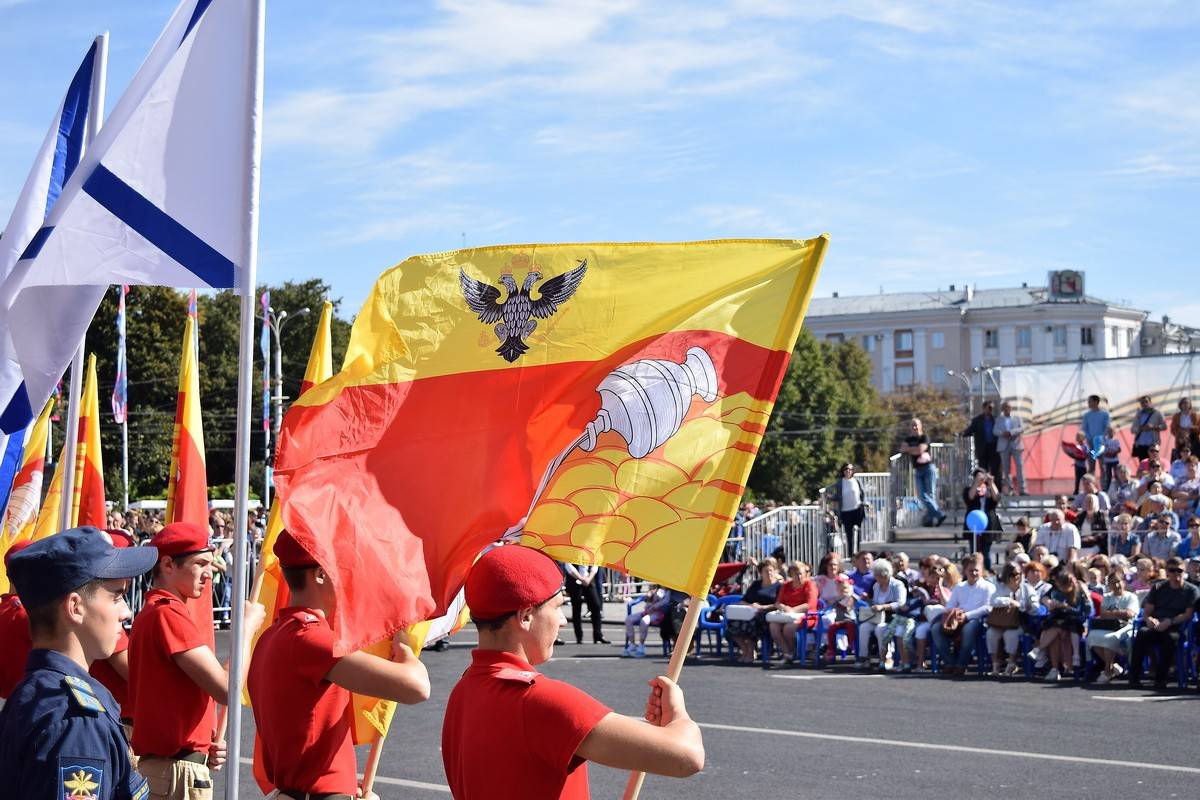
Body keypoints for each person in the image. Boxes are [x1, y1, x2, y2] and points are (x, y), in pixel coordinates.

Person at [441, 545, 704, 798]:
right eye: (557, 607)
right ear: (526, 616)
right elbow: (686, 756)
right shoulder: (538, 700)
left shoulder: (463, 690)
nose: (563, 620)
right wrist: (678, 714)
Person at [248, 530, 429, 799]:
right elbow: (416, 688)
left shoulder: (272, 635)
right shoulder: (311, 639)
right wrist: (406, 650)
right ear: (320, 574)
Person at [0, 527, 158, 798]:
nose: (126, 611)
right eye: (116, 596)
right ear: (75, 607)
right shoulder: (75, 721)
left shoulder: (35, 693)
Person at [128, 522, 266, 798]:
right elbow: (228, 688)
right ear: (168, 565)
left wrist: (200, 745)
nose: (208, 573)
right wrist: (247, 629)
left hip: (171, 768)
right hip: (175, 774)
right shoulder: (167, 613)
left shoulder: (155, 611)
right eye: (201, 563)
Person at [1128, 557, 1200, 690]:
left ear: (1184, 570)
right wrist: (1149, 619)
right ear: (1167, 572)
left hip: (1175, 626)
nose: (1176, 573)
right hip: (1156, 624)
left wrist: (1170, 621)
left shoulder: (1191, 590)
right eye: (1172, 570)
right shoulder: (1158, 587)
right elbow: (1147, 611)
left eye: (1179, 570)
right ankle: (1134, 677)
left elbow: (1188, 614)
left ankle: (1161, 678)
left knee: (1170, 638)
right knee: (1142, 634)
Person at [930, 554, 995, 675]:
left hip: (977, 620)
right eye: (971, 570)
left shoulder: (988, 587)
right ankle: (950, 663)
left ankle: (961, 665)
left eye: (976, 570)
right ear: (965, 571)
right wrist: (956, 614)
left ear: (981, 571)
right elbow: (949, 606)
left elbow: (987, 608)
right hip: (957, 619)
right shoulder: (960, 587)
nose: (974, 573)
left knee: (968, 629)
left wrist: (967, 616)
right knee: (935, 628)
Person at [1030, 571, 1090, 681]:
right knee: (1055, 630)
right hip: (1058, 620)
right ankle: (1054, 669)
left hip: (1074, 622)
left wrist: (1067, 607)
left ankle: (1040, 650)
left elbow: (1085, 611)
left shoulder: (1080, 591)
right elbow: (1044, 598)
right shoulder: (1055, 590)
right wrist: (1050, 603)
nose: (1061, 589)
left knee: (1058, 629)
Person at [1087, 571, 1139, 683]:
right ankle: (1113, 665)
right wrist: (1120, 612)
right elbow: (1103, 613)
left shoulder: (1131, 597)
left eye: (1118, 582)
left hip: (1126, 626)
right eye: (1112, 583)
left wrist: (1113, 612)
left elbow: (1130, 614)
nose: (1116, 585)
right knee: (1092, 637)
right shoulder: (1107, 597)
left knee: (1109, 638)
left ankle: (1108, 670)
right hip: (1109, 625)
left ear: (1123, 582)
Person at [727, 560, 781, 663]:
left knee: (751, 623)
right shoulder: (756, 584)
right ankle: (745, 650)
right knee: (732, 624)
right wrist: (751, 606)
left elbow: (778, 604)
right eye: (766, 571)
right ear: (761, 573)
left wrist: (762, 607)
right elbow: (743, 600)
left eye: (771, 570)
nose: (769, 573)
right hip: (750, 612)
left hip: (767, 615)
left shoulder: (779, 587)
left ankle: (750, 652)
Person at [859, 559, 908, 671]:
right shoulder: (876, 586)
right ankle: (864, 657)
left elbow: (901, 603)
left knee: (880, 629)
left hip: (893, 617)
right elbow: (875, 602)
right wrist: (869, 602)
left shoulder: (897, 584)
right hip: (878, 617)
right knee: (864, 628)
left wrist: (884, 607)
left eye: (877, 575)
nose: (875, 578)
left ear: (884, 574)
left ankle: (887, 658)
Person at [987, 565, 1035, 677]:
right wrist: (1009, 601)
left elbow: (1034, 606)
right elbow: (993, 601)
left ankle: (1011, 663)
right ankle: (995, 664)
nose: (1016, 577)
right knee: (991, 634)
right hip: (1000, 621)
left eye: (1018, 574)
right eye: (1012, 575)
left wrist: (1025, 606)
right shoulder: (1001, 587)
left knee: (1010, 634)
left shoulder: (1026, 588)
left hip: (1019, 622)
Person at [767, 561, 817, 665]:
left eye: (800, 573)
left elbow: (810, 604)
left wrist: (793, 609)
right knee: (773, 626)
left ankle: (792, 651)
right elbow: (778, 602)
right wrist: (784, 607)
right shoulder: (786, 586)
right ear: (791, 574)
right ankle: (787, 653)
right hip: (787, 615)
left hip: (806, 616)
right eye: (796, 574)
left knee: (788, 629)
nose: (799, 576)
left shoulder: (810, 585)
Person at [902, 418, 945, 526]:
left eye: (916, 425)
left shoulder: (924, 437)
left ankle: (930, 520)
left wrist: (910, 449)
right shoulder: (908, 439)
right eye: (912, 425)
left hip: (928, 469)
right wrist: (913, 449)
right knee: (921, 495)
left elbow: (920, 450)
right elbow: (903, 448)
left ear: (920, 426)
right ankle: (939, 515)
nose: (914, 427)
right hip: (917, 470)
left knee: (930, 495)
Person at [962, 469, 1002, 570]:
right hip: (973, 525)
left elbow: (997, 498)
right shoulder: (969, 490)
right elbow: (970, 497)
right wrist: (976, 483)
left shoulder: (988, 490)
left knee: (986, 551)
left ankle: (987, 571)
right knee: (974, 552)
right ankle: (973, 569)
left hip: (987, 525)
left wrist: (991, 482)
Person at [562, 563, 610, 645]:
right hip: (575, 580)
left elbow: (595, 564)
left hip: (589, 580)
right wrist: (580, 578)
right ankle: (579, 636)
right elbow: (568, 565)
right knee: (576, 608)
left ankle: (598, 635)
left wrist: (589, 578)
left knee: (596, 606)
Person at [827, 463, 868, 554]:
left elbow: (862, 494)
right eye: (846, 469)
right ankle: (850, 553)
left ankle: (858, 552)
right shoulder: (840, 483)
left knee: (858, 531)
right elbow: (837, 496)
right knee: (849, 533)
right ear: (843, 471)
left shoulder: (856, 481)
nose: (848, 471)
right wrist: (829, 497)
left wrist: (864, 503)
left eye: (850, 469)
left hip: (857, 509)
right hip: (845, 511)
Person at [624, 585, 670, 658]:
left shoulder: (668, 592)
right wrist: (648, 595)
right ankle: (632, 644)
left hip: (658, 613)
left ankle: (641, 646)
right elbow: (646, 598)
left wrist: (655, 605)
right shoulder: (655, 589)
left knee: (644, 621)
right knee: (629, 619)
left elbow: (665, 602)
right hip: (647, 612)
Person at [994, 401, 1026, 495]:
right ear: (1002, 409)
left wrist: (1011, 432)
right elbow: (995, 430)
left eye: (1009, 407)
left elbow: (1022, 428)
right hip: (1004, 446)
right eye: (1005, 407)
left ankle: (1022, 489)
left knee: (1019, 467)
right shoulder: (999, 419)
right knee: (1006, 469)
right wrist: (1003, 433)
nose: (1007, 409)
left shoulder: (1017, 418)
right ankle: (1010, 489)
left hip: (1016, 445)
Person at [962, 401, 1000, 480]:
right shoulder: (977, 420)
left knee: (995, 470)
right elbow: (970, 430)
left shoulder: (996, 419)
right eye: (989, 408)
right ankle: (984, 489)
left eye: (992, 408)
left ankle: (996, 490)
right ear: (984, 408)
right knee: (983, 470)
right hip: (983, 448)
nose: (990, 410)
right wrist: (962, 433)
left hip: (994, 448)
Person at [1080, 395, 1110, 477]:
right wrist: (1090, 439)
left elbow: (1107, 427)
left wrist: (1101, 439)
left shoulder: (1104, 414)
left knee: (1103, 466)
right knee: (1091, 466)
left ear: (1096, 402)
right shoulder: (1086, 415)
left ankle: (1104, 487)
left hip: (1101, 445)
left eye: (1090, 401)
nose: (1088, 403)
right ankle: (1091, 486)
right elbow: (1084, 428)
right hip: (1091, 446)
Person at [1131, 395, 1167, 462]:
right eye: (1142, 403)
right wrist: (1140, 429)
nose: (1144, 404)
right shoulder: (1139, 414)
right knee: (1143, 465)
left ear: (1150, 402)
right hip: (1141, 445)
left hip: (1153, 444)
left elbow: (1164, 426)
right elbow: (1132, 429)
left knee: (1154, 464)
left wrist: (1153, 427)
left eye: (1146, 402)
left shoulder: (1157, 413)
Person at [1100, 426, 1122, 491]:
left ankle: (1119, 487)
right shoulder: (1105, 441)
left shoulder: (1116, 441)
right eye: (1109, 432)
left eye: (1112, 432)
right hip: (1108, 461)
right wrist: (1107, 453)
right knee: (1108, 475)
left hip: (1115, 460)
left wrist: (1114, 452)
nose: (1110, 433)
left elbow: (1119, 449)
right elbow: (1103, 450)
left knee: (1117, 475)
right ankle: (1107, 489)